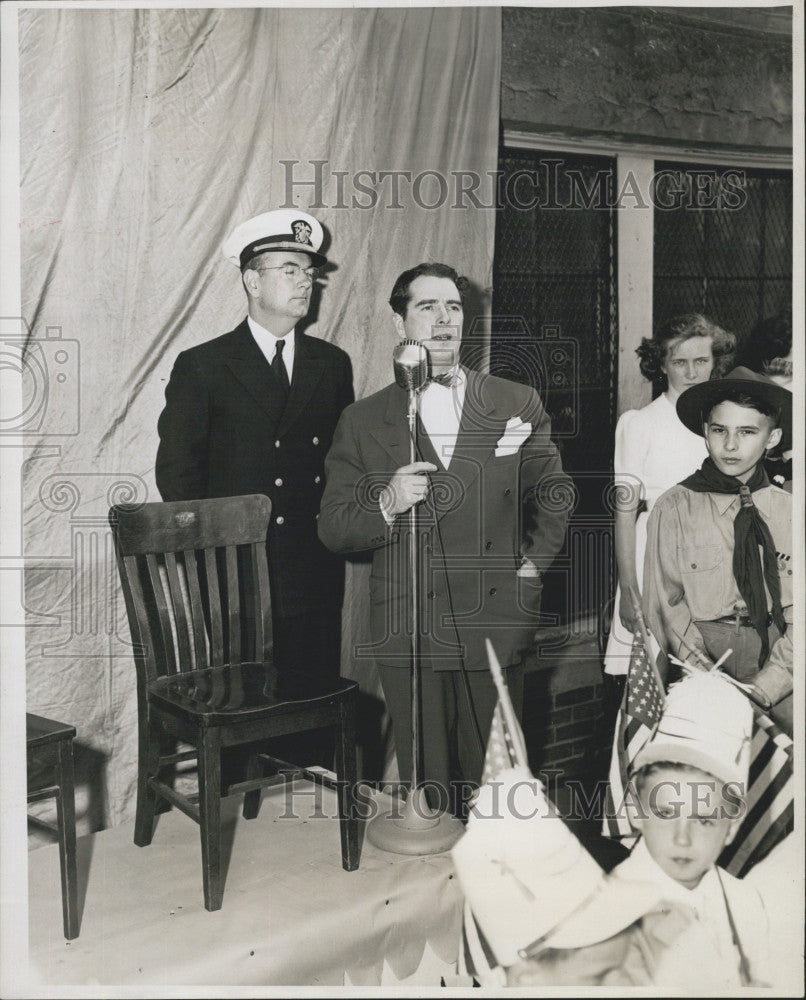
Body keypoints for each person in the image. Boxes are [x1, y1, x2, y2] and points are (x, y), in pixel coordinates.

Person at [317, 262, 572, 810]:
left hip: (496, 616)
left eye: (454, 307)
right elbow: (334, 527)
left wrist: (530, 570)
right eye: (426, 306)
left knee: (500, 784)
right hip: (411, 621)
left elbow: (556, 494)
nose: (443, 318)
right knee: (429, 791)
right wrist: (385, 503)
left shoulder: (513, 401)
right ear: (399, 321)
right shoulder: (363, 420)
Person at [155, 210, 354, 754]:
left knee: (311, 695)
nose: (304, 282)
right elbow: (178, 477)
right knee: (244, 707)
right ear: (251, 280)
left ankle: (308, 804)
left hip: (313, 563)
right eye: (290, 269)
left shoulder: (331, 364)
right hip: (240, 571)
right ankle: (246, 807)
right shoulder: (205, 365)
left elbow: (341, 462)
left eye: (309, 273)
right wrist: (217, 561)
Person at [455, 671, 771, 988]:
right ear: (636, 807)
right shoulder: (615, 918)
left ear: (731, 825)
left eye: (703, 819)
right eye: (665, 813)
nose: (682, 838)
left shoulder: (746, 901)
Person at [643, 367, 793, 733]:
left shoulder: (791, 511)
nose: (730, 445)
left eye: (747, 432)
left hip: (781, 659)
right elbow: (665, 607)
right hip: (700, 661)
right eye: (719, 430)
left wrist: (766, 687)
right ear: (705, 432)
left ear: (772, 438)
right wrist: (709, 683)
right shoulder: (674, 507)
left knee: (785, 769)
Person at [604, 313, 735, 678]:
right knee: (651, 676)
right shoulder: (640, 423)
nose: (691, 372)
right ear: (661, 364)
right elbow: (625, 513)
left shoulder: (724, 423)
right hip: (656, 557)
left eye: (701, 361)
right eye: (679, 362)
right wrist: (629, 587)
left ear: (715, 362)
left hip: (714, 558)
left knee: (709, 676)